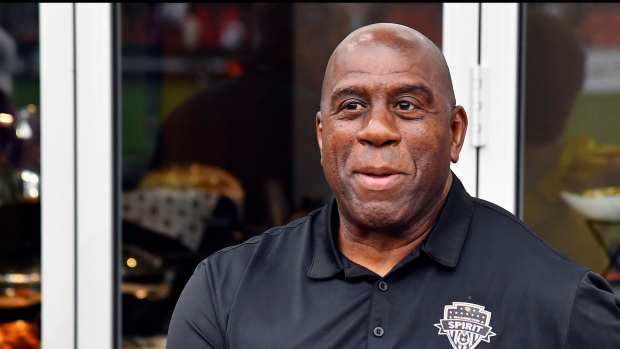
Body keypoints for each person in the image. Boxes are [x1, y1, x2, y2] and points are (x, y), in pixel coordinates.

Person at [166, 23, 620, 348]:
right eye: (352, 106)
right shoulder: (226, 291)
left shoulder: (556, 302)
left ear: (455, 132)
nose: (377, 129)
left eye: (406, 105)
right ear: (323, 136)